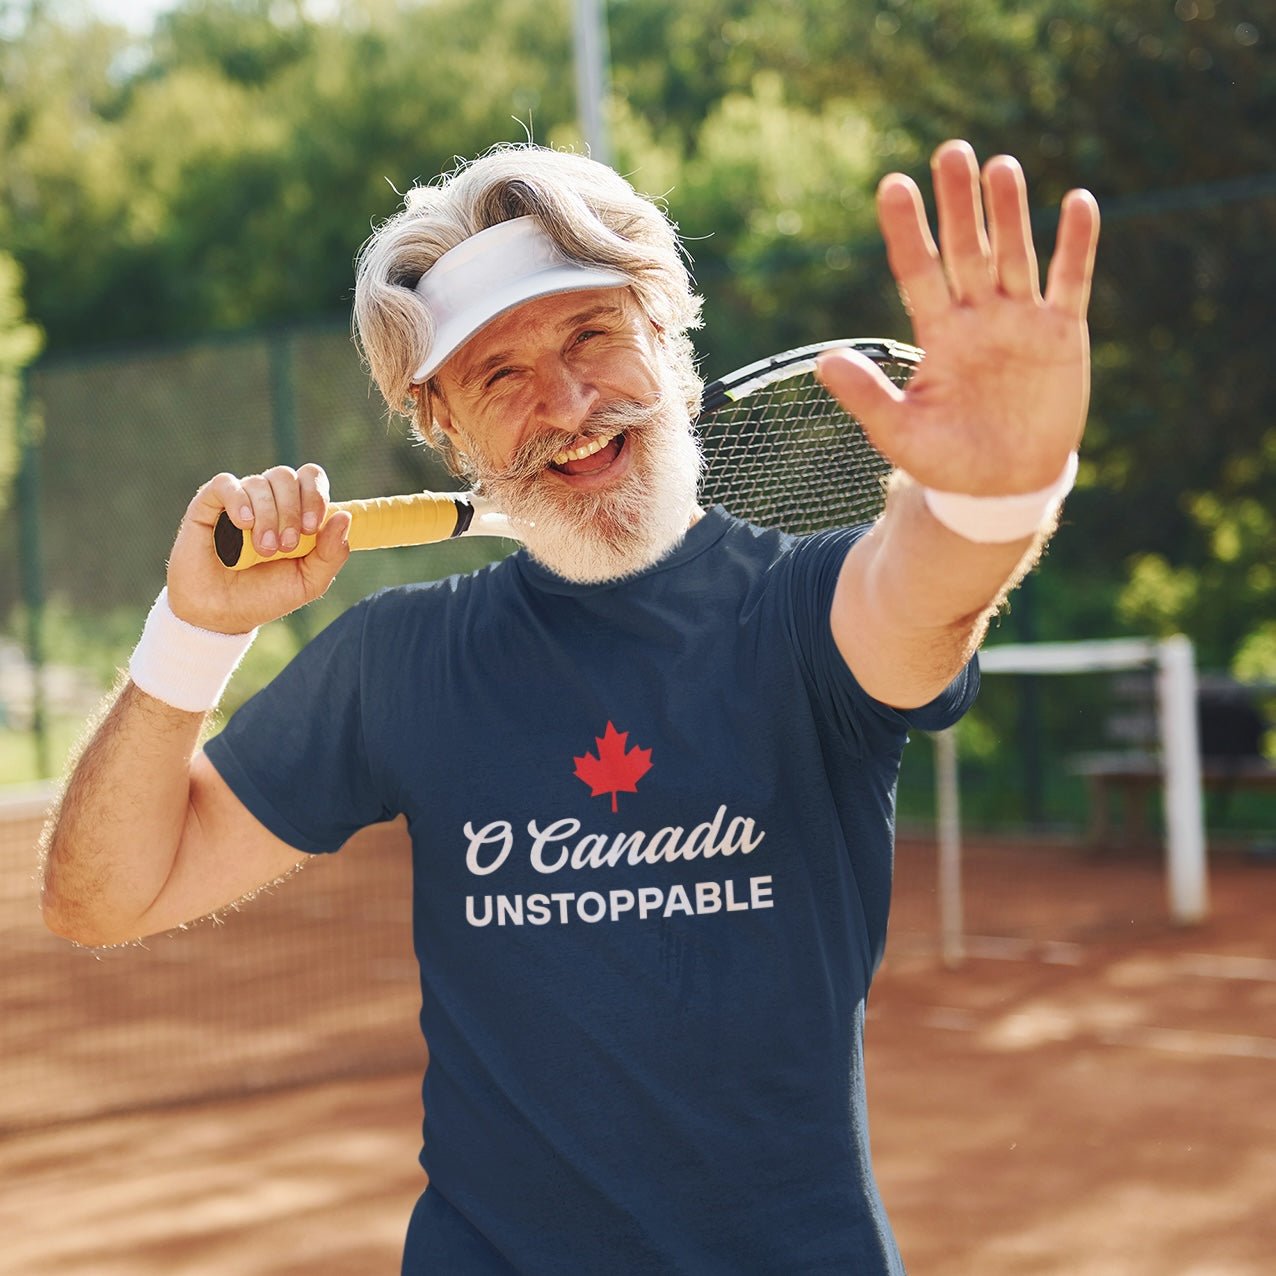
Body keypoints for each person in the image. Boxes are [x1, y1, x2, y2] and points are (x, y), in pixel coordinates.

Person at [41, 139, 1099, 1273]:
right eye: (498, 376)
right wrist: (193, 632)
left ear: (668, 339)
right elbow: (104, 896)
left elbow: (926, 593)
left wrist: (995, 497)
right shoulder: (401, 662)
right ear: (444, 427)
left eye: (592, 334)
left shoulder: (806, 617)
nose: (565, 402)